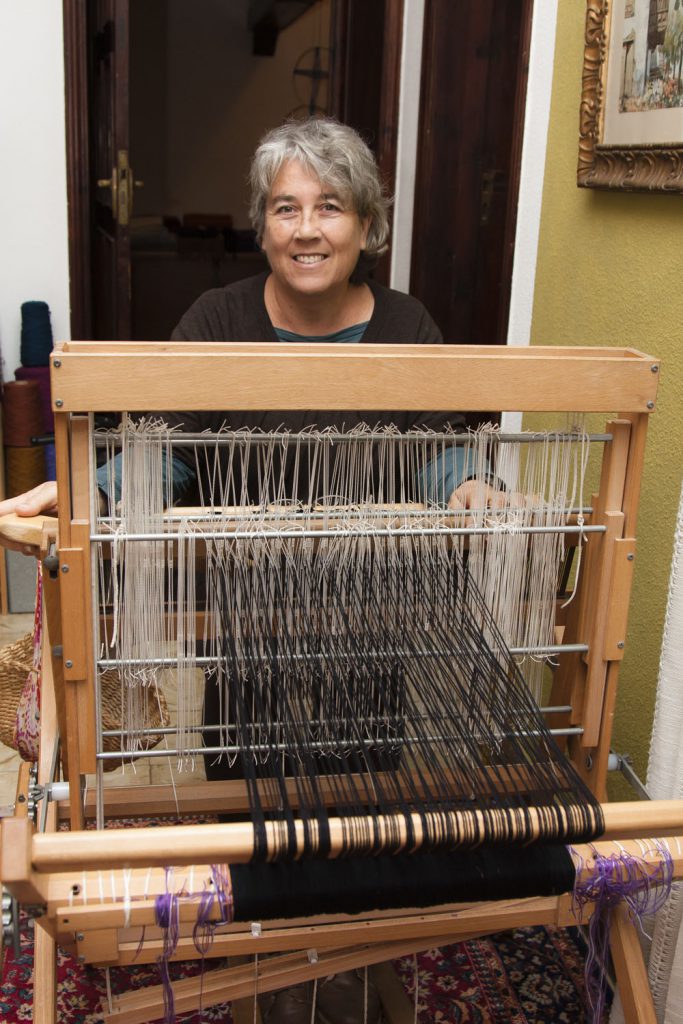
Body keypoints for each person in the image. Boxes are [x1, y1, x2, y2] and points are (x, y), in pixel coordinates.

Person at [0, 117, 510, 1024]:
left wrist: (470, 487)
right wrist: (88, 497)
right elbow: (166, 451)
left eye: (330, 207)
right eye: (286, 207)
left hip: (370, 606)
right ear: (261, 222)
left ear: (365, 225)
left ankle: (354, 948)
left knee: (360, 784)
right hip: (248, 605)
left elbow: (439, 447)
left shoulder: (407, 327)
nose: (307, 229)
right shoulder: (218, 322)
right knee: (249, 776)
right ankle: (261, 959)